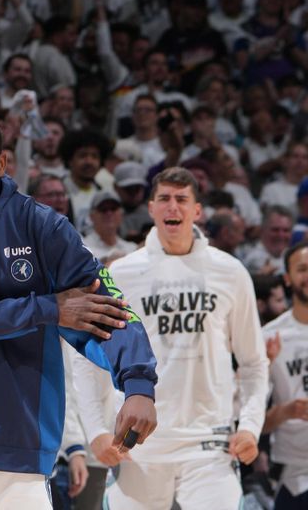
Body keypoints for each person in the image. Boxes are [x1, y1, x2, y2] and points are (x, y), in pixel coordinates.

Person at [0, 109, 158, 510]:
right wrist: (46, 309)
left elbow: (103, 307)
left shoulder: (43, 228)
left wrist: (138, 384)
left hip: (19, 449)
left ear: (2, 164)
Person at [105, 167, 269, 510]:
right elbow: (91, 361)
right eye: (164, 199)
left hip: (210, 444)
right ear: (151, 209)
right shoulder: (121, 274)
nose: (172, 207)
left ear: (197, 211)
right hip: (139, 443)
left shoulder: (230, 271)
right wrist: (96, 430)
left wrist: (251, 426)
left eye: (182, 199)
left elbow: (253, 363)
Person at [262, 241, 308, 509]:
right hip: (294, 472)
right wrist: (287, 411)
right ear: (288, 279)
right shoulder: (270, 337)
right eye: (302, 269)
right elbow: (254, 422)